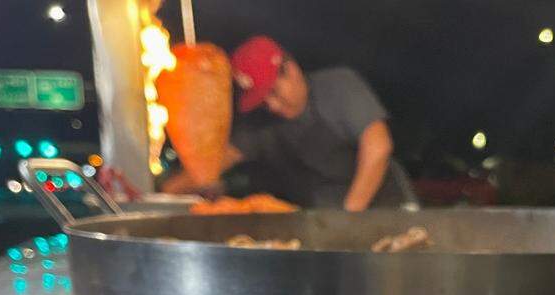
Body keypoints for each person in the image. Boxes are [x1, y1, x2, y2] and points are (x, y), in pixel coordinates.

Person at [165, 35, 408, 210]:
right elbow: (212, 165)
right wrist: (168, 191)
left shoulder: (339, 87)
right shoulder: (261, 125)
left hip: (388, 211)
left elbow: (378, 147)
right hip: (324, 223)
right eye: (261, 100)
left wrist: (348, 219)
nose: (271, 105)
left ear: (291, 70)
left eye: (273, 92)